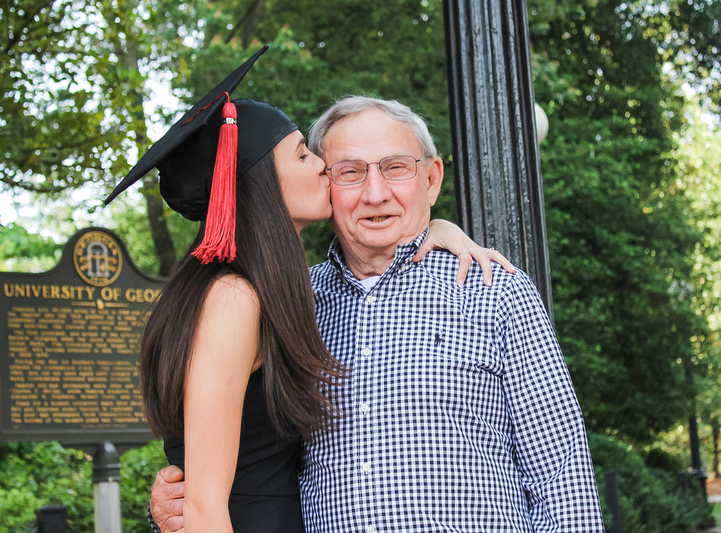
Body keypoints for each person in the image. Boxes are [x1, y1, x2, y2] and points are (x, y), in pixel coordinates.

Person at [149, 94, 604, 532]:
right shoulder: (289, 306)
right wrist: (174, 505)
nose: (375, 192)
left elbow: (560, 470)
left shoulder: (494, 289)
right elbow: (236, 472)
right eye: (347, 172)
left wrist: (441, 226)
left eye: (396, 168)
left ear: (431, 179)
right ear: (328, 183)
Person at [107, 48, 513, 533]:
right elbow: (203, 508)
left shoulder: (283, 295)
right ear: (263, 184)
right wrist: (170, 511)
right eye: (302, 154)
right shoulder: (232, 299)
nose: (322, 165)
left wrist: (437, 227)